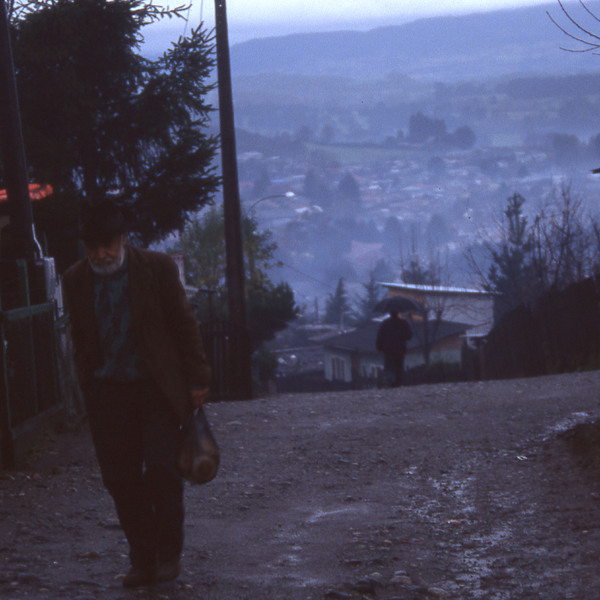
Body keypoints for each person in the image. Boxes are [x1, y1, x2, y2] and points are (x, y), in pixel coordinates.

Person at [62, 199, 211, 588]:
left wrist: (197, 379)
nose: (100, 254)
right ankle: (142, 559)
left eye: (107, 245)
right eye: (92, 248)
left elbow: (184, 323)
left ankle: (168, 551)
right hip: (107, 393)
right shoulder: (76, 279)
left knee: (163, 469)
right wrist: (87, 378)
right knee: (120, 478)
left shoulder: (156, 269)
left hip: (155, 390)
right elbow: (79, 332)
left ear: (124, 238)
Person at [375, 311, 413, 387]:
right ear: (398, 313)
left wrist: (379, 348)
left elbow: (380, 337)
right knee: (399, 366)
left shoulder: (385, 324)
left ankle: (392, 380)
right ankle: (398, 382)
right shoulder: (403, 323)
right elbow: (409, 336)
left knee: (389, 367)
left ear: (390, 313)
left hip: (388, 349)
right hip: (400, 348)